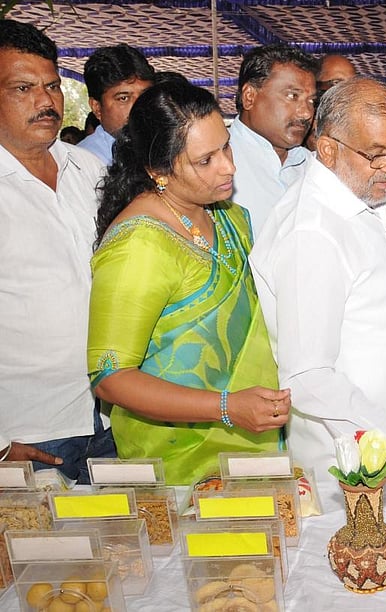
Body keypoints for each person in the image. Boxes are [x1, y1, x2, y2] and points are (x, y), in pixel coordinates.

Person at [250, 78, 386, 515]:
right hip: (368, 467)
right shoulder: (313, 233)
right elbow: (306, 376)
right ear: (327, 148)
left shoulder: (356, 199)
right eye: (377, 154)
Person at [87, 81, 290, 485]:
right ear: (158, 170)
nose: (228, 167)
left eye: (226, 147)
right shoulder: (137, 245)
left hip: (255, 441)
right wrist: (226, 407)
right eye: (205, 160)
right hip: (179, 463)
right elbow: (110, 377)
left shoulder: (228, 216)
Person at [0, 19, 115, 482]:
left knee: (126, 552)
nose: (46, 101)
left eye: (51, 85)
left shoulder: (87, 169)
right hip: (31, 432)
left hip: (112, 417)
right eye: (23, 88)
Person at [230, 44, 318, 238]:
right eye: (292, 96)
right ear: (249, 97)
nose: (306, 113)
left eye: (311, 101)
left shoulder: (315, 168)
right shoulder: (216, 164)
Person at [78, 44, 154, 165]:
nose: (139, 107)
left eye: (145, 95)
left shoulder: (166, 147)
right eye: (124, 98)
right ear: (97, 108)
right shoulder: (84, 162)